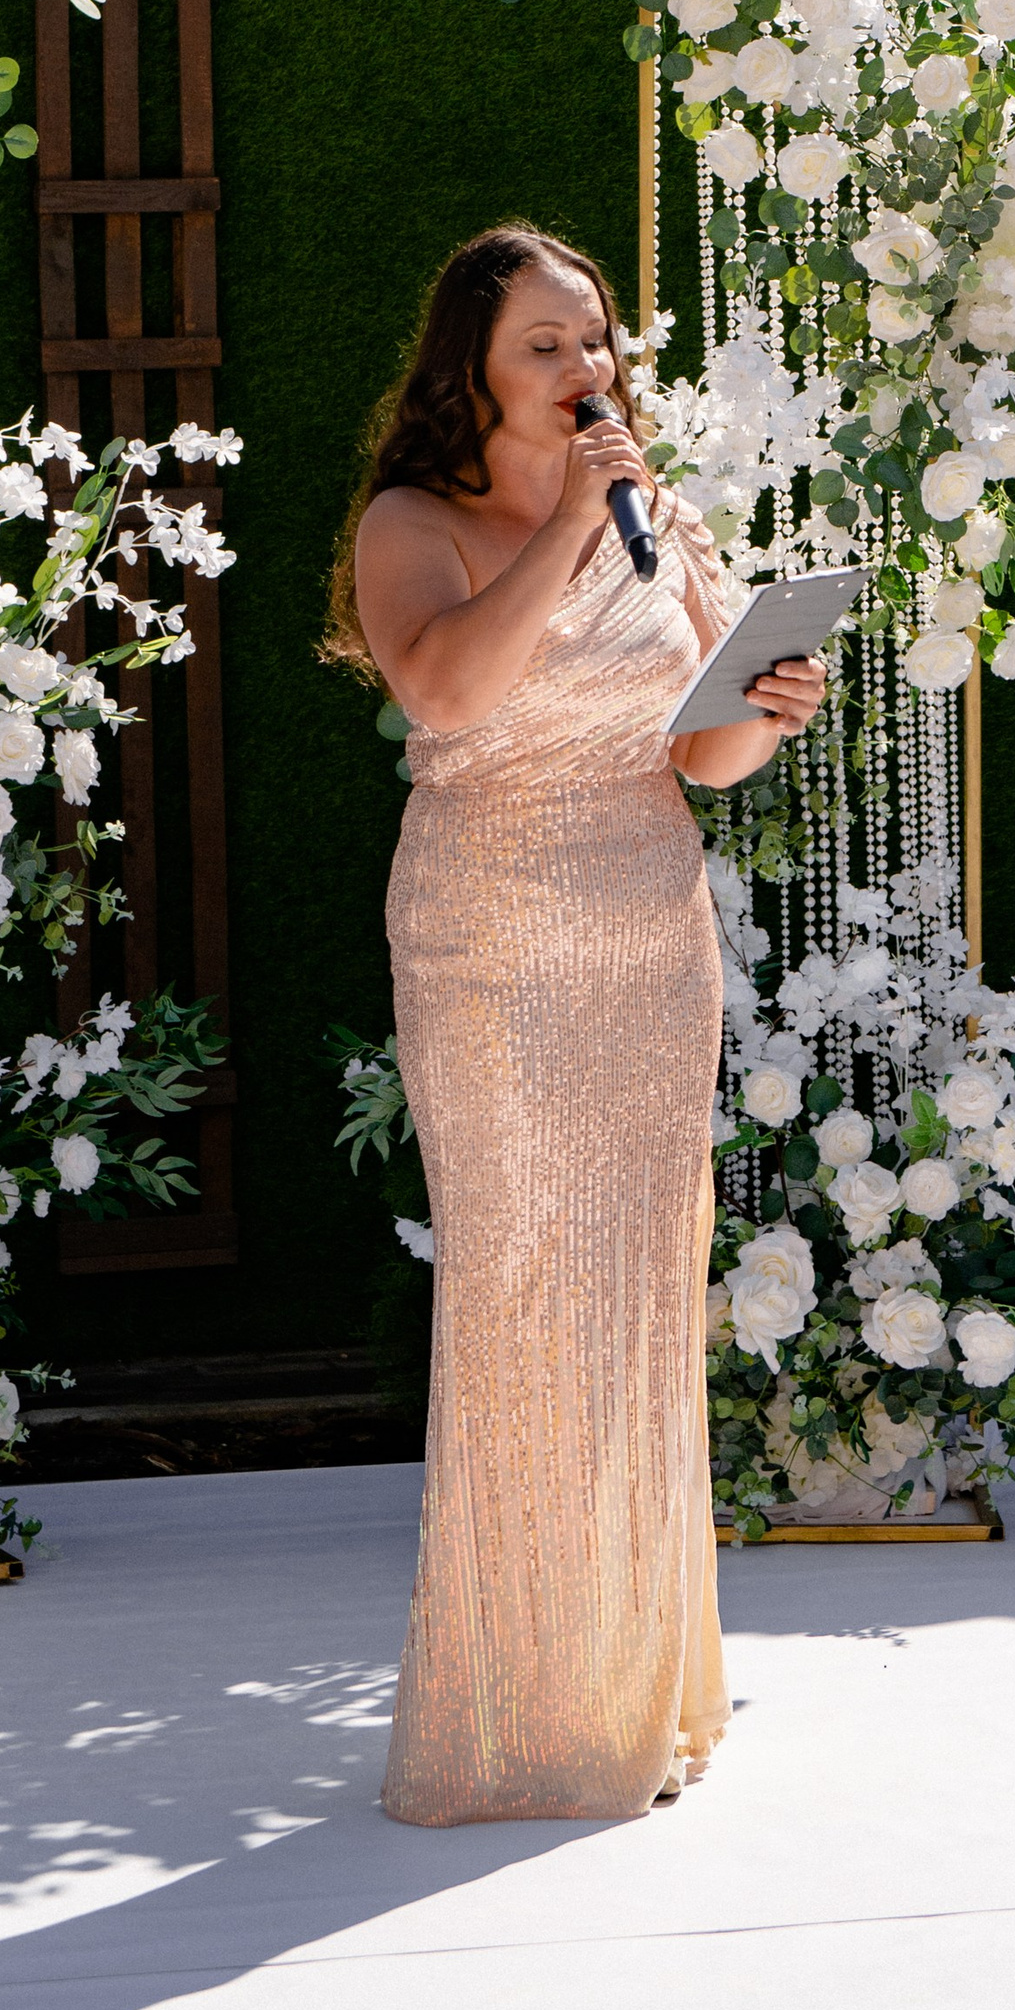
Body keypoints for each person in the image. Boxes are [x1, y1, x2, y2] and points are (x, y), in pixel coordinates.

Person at [332, 222, 827, 1824]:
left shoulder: (657, 526)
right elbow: (448, 694)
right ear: (469, 366)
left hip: (644, 938)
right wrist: (571, 526)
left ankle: (633, 1699)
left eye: (594, 340)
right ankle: (512, 1726)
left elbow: (696, 758)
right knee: (519, 1293)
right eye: (545, 346)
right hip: (489, 944)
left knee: (628, 1304)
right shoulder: (414, 520)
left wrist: (765, 707)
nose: (582, 370)